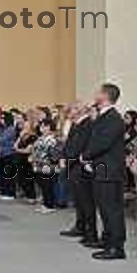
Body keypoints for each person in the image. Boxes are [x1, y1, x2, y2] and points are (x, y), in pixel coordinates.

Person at [82, 83, 127, 260]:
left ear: (105, 96)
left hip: (109, 169)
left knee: (111, 209)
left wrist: (85, 156)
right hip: (102, 168)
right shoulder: (104, 116)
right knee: (104, 207)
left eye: (98, 92)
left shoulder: (113, 118)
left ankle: (116, 247)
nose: (95, 95)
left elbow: (102, 142)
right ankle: (108, 240)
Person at [60, 102, 95, 240]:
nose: (70, 110)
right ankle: (80, 226)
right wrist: (63, 157)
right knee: (78, 200)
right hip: (72, 165)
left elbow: (80, 146)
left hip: (80, 166)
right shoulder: (76, 124)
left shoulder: (87, 124)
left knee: (86, 201)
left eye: (73, 108)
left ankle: (89, 231)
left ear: (81, 111)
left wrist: (68, 159)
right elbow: (68, 143)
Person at [31, 119, 61, 213]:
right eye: (42, 126)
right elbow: (35, 148)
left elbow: (52, 152)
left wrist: (41, 157)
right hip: (38, 163)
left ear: (50, 127)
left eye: (45, 126)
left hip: (48, 164)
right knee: (42, 184)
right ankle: (45, 203)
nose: (42, 128)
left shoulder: (52, 139)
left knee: (48, 184)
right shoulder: (40, 138)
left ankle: (50, 205)